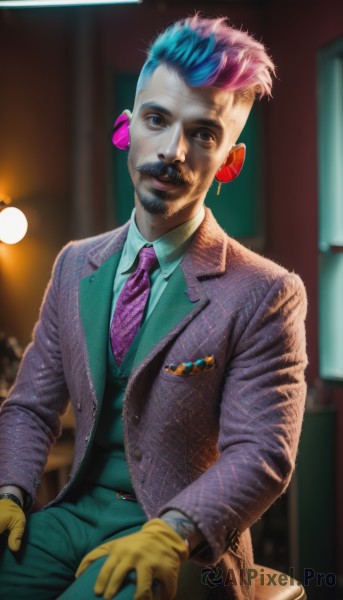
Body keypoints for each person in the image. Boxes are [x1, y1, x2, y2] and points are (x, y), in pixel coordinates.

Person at [0, 14, 307, 600]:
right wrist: (10, 490)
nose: (172, 151)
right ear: (126, 129)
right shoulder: (73, 264)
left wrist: (173, 531)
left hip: (183, 538)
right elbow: (32, 406)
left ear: (230, 162)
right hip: (70, 516)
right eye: (157, 120)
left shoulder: (267, 292)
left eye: (203, 134)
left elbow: (263, 451)